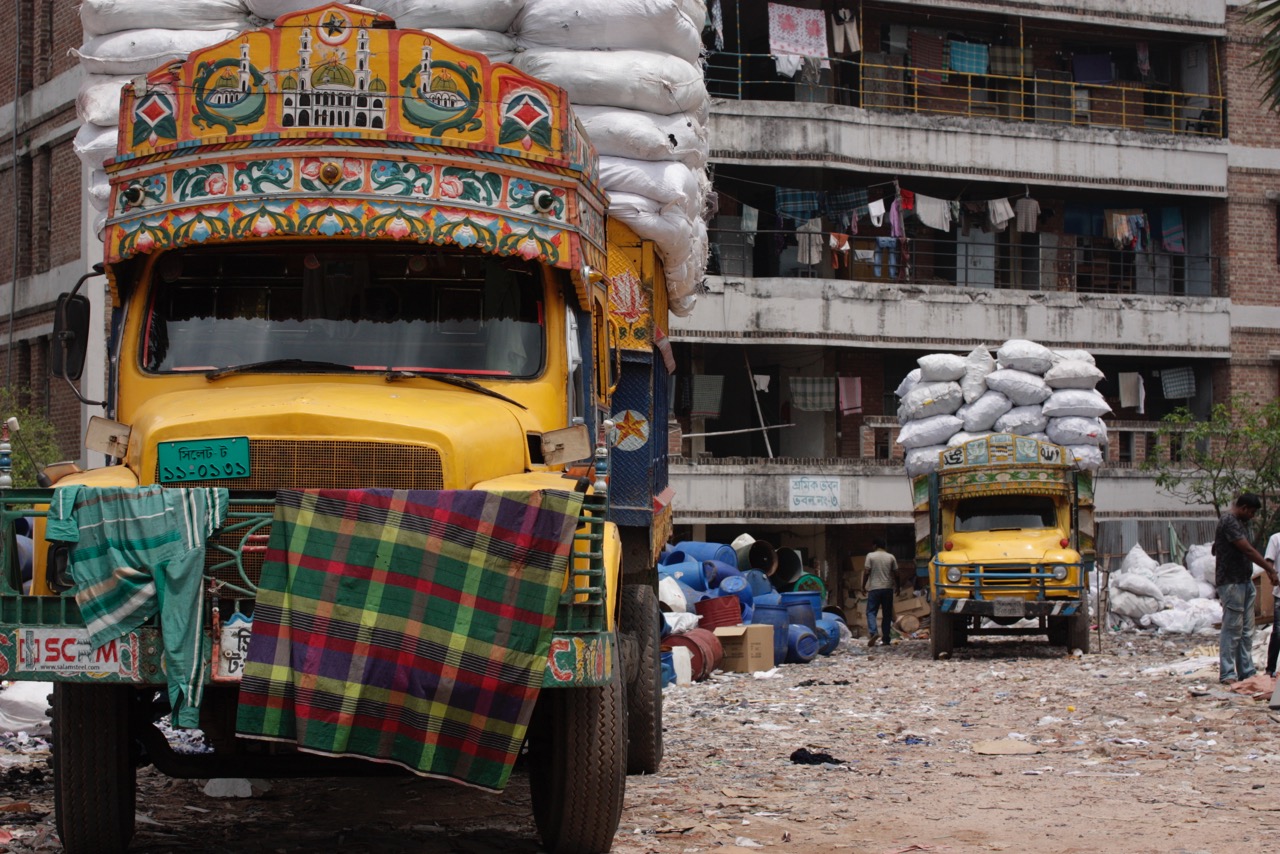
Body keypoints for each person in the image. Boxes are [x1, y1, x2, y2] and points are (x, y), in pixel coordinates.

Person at [1213, 493, 1277, 684]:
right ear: (1243, 508)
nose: (1252, 516)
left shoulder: (1241, 523)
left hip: (1244, 580)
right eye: (1251, 512)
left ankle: (1246, 671)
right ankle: (1227, 673)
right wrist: (1270, 569)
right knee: (1232, 629)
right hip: (1231, 582)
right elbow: (1247, 549)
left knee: (1247, 630)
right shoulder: (1229, 521)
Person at [862, 537, 899, 647]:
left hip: (874, 589)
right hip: (888, 588)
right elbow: (897, 573)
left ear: (875, 546)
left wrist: (863, 586)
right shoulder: (891, 557)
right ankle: (886, 639)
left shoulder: (870, 556)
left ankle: (873, 632)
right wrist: (899, 586)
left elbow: (867, 571)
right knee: (887, 614)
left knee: (871, 612)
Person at [1266, 528, 1280, 678]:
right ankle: (1270, 669)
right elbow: (1268, 562)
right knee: (1278, 633)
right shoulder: (1276, 539)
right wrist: (1273, 576)